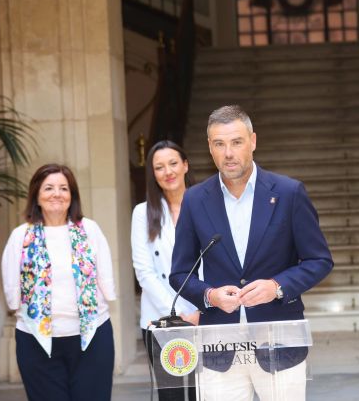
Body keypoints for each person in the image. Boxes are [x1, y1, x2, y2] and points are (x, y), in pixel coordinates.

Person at [170, 105, 333, 401]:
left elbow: (319, 260)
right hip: (219, 348)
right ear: (209, 147)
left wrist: (277, 287)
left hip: (280, 344)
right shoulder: (195, 200)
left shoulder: (289, 193)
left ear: (253, 141)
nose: (228, 153)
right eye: (219, 144)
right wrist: (210, 296)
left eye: (236, 142)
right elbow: (180, 273)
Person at [1, 164, 116, 401]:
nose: (57, 194)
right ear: (37, 195)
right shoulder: (21, 235)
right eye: (49, 188)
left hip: (92, 337)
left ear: (72, 195)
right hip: (36, 340)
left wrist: (109, 292)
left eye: (64, 188)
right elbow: (11, 279)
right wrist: (14, 304)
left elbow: (104, 274)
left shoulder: (89, 229)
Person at [131, 140, 199, 401]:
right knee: (171, 395)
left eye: (173, 163)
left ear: (185, 165)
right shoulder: (142, 213)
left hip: (204, 317)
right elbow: (144, 272)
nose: (167, 171)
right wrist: (178, 315)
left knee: (208, 392)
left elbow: (217, 264)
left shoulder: (206, 204)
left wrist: (200, 311)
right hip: (160, 320)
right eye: (159, 167)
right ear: (153, 174)